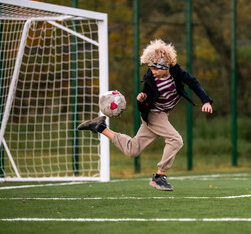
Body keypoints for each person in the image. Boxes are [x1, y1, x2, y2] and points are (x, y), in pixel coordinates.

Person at [78, 39, 213, 191]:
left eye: (155, 68)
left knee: (132, 150)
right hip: (154, 114)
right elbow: (143, 107)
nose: (152, 72)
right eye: (150, 68)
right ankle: (159, 177)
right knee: (176, 140)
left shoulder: (176, 72)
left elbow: (193, 82)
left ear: (165, 64)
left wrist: (206, 101)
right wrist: (141, 100)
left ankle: (101, 127)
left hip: (161, 115)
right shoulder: (150, 80)